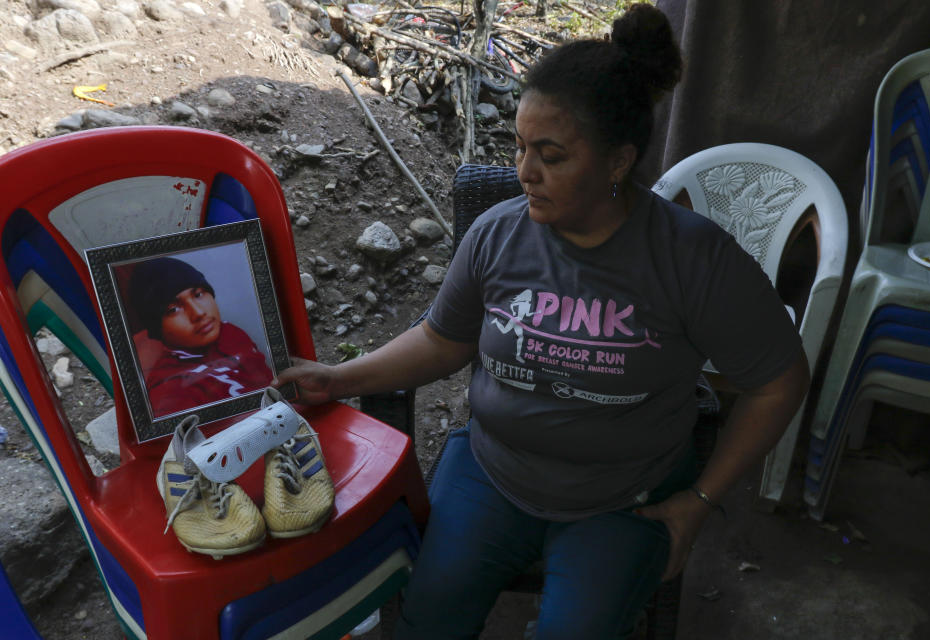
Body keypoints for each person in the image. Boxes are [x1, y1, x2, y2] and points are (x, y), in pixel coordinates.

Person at [274, 4, 809, 638]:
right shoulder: (498, 235)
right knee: (429, 620)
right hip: (493, 470)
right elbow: (442, 340)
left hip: (622, 498)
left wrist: (699, 502)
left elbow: (779, 381)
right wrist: (339, 378)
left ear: (617, 162)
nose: (525, 171)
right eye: (521, 146)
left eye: (551, 155)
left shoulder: (693, 258)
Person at [127, 256, 274, 418]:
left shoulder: (230, 332)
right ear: (156, 327)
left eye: (198, 294)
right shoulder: (170, 391)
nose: (199, 313)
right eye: (173, 309)